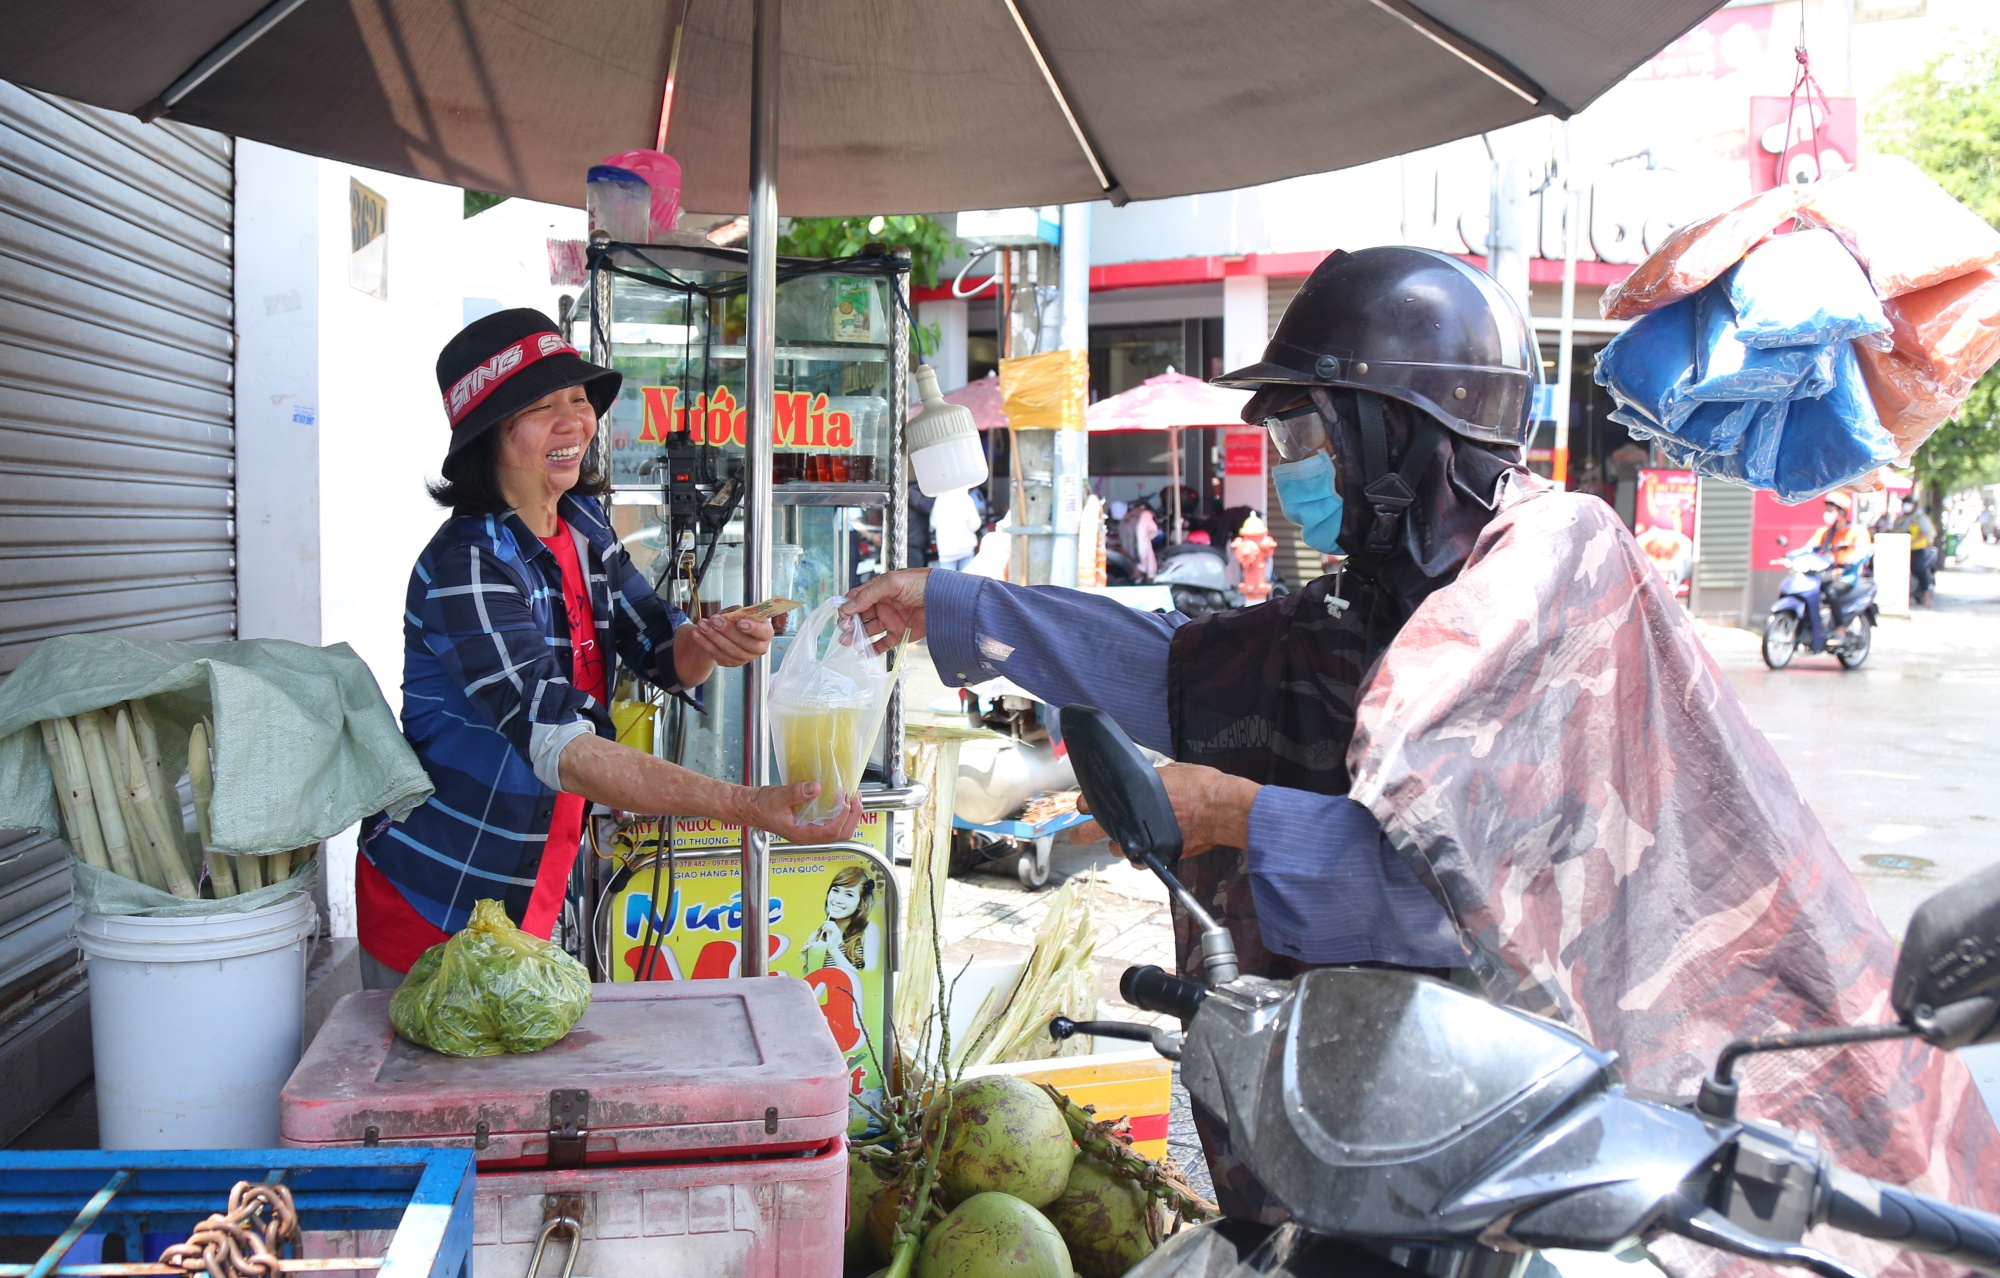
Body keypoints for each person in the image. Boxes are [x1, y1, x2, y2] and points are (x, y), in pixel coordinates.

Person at [843, 246, 1999, 1238]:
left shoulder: (1551, 592)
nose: (1284, 461)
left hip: (1584, 1156)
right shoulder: (1362, 613)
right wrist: (951, 606)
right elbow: (1178, 671)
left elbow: (1452, 888)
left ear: (1398, 439)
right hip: (1364, 1141)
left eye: (1304, 426)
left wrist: (1237, 818)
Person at [355, 309, 862, 990]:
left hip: (539, 883)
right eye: (540, 408)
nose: (575, 422)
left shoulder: (583, 523)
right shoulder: (467, 567)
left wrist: (714, 643)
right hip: (441, 901)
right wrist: (747, 807)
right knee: (448, 1095)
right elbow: (559, 743)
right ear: (488, 434)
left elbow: (657, 645)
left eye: (578, 398)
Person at [1893, 494, 1937, 606]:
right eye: (1905, 503)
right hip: (1900, 550)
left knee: (1919, 570)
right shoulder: (1900, 519)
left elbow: (1924, 533)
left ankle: (1927, 597)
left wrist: (1912, 541)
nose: (1907, 506)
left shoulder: (1920, 518)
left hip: (1917, 550)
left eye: (1909, 503)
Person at [930, 486, 982, 571]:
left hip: (946, 550)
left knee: (947, 583)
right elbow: (975, 525)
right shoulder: (966, 499)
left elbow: (933, 523)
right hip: (965, 548)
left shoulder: (940, 500)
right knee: (967, 581)